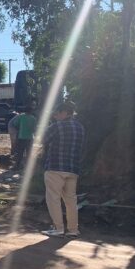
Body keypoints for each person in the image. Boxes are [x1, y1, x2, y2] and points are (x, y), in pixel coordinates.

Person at [41, 101, 85, 238]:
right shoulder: (80, 127)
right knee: (71, 201)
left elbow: (43, 140)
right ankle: (73, 230)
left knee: (53, 198)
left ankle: (58, 228)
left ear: (65, 112)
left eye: (57, 113)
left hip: (55, 167)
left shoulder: (56, 126)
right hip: (73, 168)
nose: (55, 116)